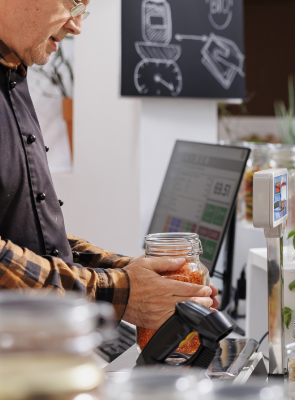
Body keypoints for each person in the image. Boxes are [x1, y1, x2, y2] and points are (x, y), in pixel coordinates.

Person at [0, 0, 217, 330]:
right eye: (74, 3)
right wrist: (119, 291)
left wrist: (131, 272)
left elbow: (27, 232)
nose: (76, 25)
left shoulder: (12, 74)